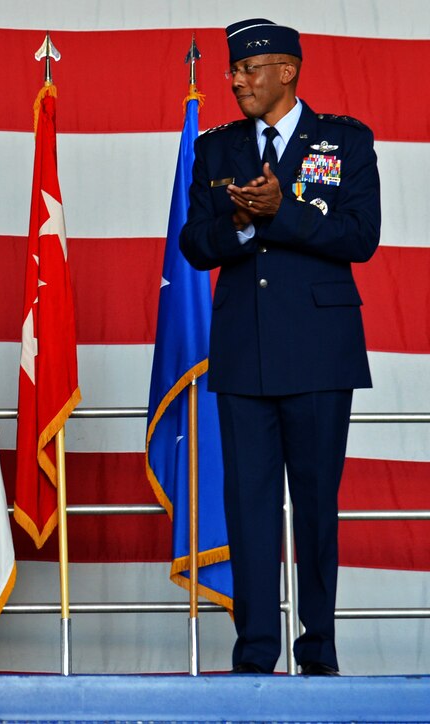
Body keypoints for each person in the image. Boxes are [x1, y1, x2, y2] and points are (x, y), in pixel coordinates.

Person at [180, 18, 381, 675]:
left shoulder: (345, 141)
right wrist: (238, 221)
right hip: (242, 354)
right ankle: (256, 653)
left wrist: (281, 212)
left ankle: (319, 652)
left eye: (250, 69)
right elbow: (193, 243)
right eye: (233, 70)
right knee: (249, 509)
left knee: (318, 510)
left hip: (321, 355)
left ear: (288, 70)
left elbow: (360, 236)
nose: (236, 79)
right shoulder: (217, 149)